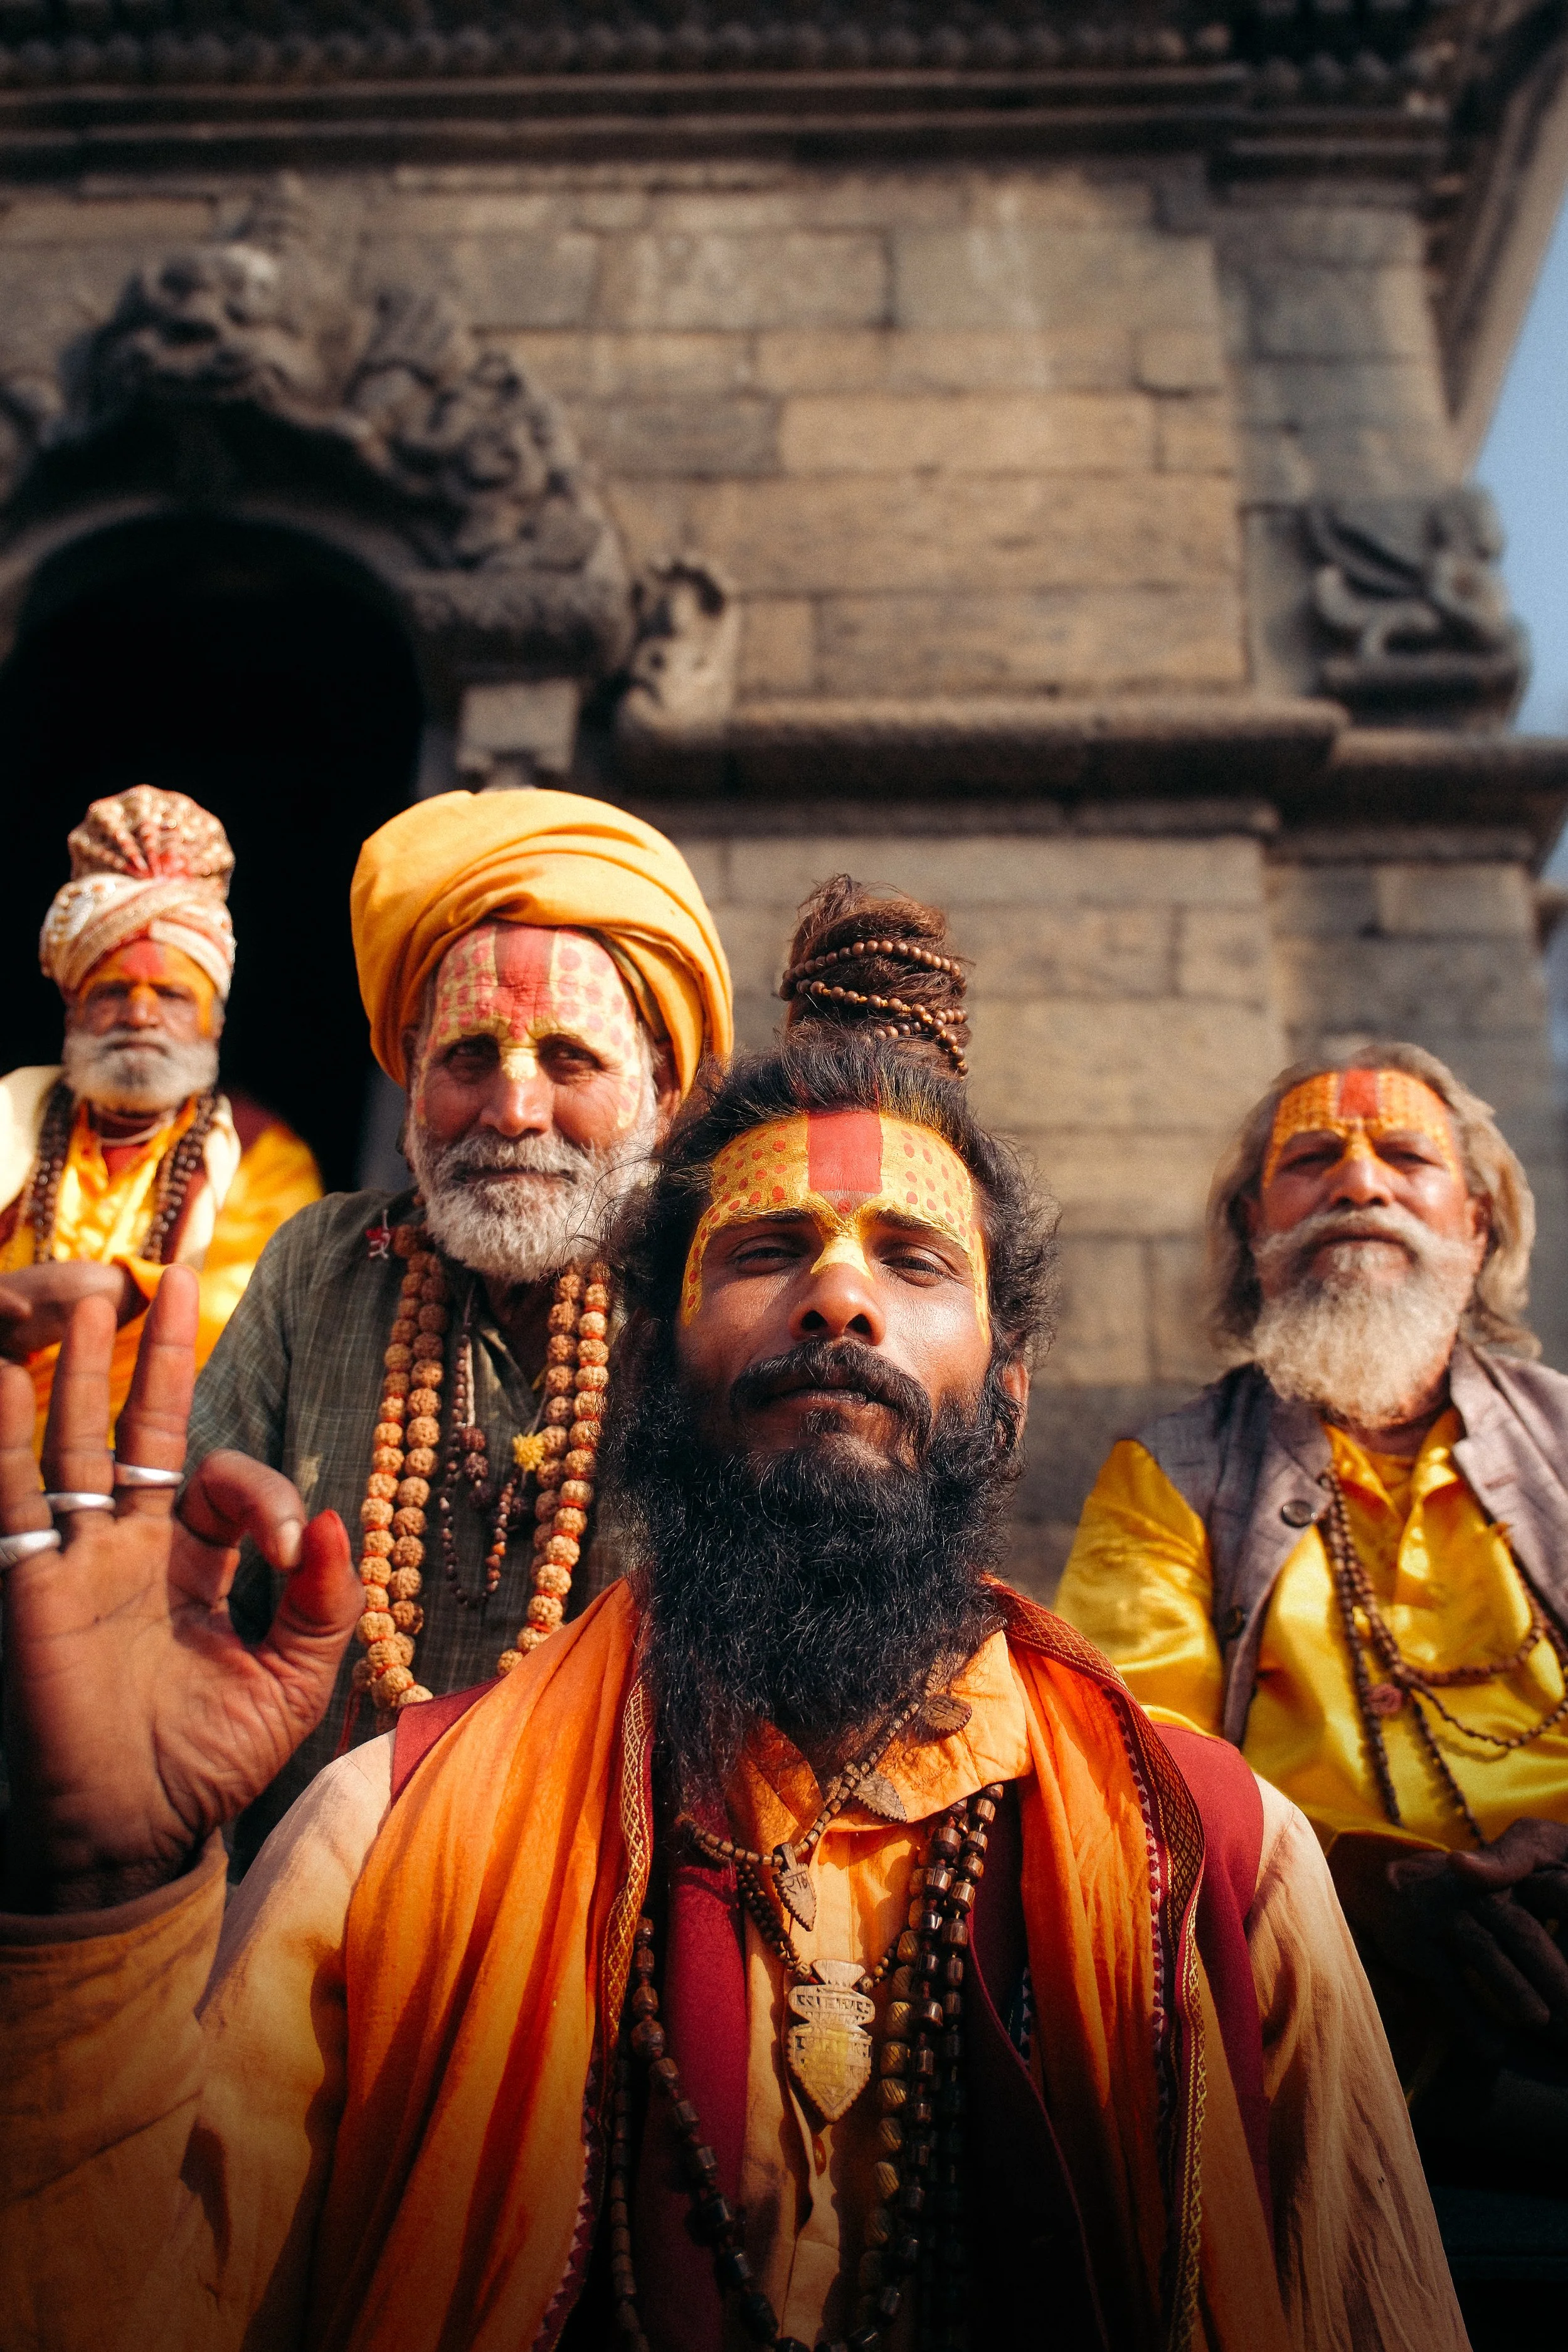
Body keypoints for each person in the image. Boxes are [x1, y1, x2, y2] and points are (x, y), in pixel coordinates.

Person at [0, 909, 1465, 2352]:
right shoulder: (379, 1839)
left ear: (1008, 1390)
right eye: (768, 1250)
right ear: (646, 1369)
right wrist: (101, 1905)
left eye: (912, 1258)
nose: (837, 1293)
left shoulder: (1223, 1858)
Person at [1057, 1044, 1568, 2211]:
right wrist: (1359, 1882)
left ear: (1478, 1224)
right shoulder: (1170, 1476)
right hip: (1321, 1999)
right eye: (1312, 1160)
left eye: (1403, 1155)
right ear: (1252, 1227)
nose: (1359, 1183)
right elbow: (1129, 1773)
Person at [187, 784, 733, 1869]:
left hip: (592, 1924)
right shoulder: (322, 1270)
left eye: (570, 1062)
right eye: (468, 1058)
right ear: (410, 1080)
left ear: (663, 1097)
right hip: (296, 1917)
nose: (513, 1108)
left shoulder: (716, 1307)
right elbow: (189, 1595)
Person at [0, 785, 321, 1451]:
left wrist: (99, 1291)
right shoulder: (10, 1116)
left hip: (157, 1496)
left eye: (171, 995)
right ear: (73, 1008)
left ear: (215, 1020)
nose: (140, 1016)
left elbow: (251, 1330)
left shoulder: (266, 1158)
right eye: (114, 990)